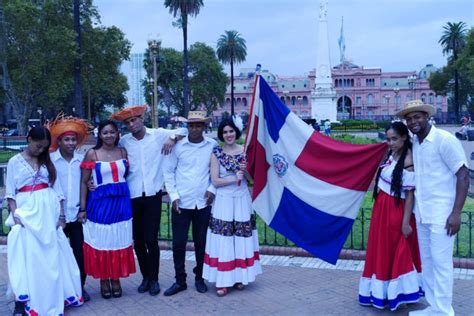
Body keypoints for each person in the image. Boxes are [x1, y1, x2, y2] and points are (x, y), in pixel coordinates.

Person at [397, 100, 469, 316]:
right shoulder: (416, 143)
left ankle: (445, 311)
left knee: (441, 265)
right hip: (423, 214)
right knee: (427, 264)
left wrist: (456, 213)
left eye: (417, 116)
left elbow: (463, 175)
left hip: (442, 215)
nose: (412, 121)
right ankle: (434, 307)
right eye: (409, 119)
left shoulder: (443, 140)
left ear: (427, 117)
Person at [6, 126, 83, 315]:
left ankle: (54, 295)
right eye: (38, 146)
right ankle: (23, 300)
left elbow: (58, 190)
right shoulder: (14, 162)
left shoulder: (47, 162)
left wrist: (62, 216)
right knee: (28, 257)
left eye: (45, 148)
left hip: (49, 212)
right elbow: (10, 193)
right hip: (26, 213)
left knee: (52, 257)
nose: (41, 150)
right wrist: (16, 216)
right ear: (28, 139)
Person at [110, 105, 186, 296]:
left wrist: (172, 138)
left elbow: (183, 129)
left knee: (151, 239)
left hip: (153, 195)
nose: (131, 124)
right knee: (138, 240)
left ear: (141, 119)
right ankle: (145, 277)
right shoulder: (125, 142)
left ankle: (154, 279)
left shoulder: (158, 134)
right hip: (133, 195)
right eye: (127, 122)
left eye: (134, 120)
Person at [358, 121, 423, 311]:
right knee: (380, 251)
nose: (391, 142)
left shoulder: (409, 160)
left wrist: (405, 223)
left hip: (396, 211)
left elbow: (410, 196)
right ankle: (382, 293)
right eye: (388, 139)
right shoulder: (392, 155)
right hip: (382, 211)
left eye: (394, 139)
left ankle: (397, 294)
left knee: (394, 251)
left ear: (404, 137)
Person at [203, 119, 262, 297]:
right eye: (225, 132)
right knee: (225, 238)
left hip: (242, 198)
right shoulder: (216, 153)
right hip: (224, 200)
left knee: (240, 238)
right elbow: (215, 180)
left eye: (231, 131)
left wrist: (245, 172)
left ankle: (239, 277)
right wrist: (233, 178)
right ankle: (223, 280)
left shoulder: (245, 152)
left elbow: (251, 179)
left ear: (236, 132)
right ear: (221, 135)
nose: (229, 135)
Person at [79, 120, 136, 299]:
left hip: (121, 203)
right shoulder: (92, 154)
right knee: (102, 241)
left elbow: (124, 175)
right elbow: (83, 181)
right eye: (105, 132)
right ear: (100, 135)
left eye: (112, 132)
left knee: (118, 240)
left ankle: (116, 278)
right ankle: (104, 279)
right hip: (100, 203)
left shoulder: (123, 152)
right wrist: (82, 207)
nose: (109, 135)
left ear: (117, 133)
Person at [163, 111, 217, 296]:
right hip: (181, 202)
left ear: (204, 127)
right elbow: (168, 171)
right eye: (191, 125)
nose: (194, 128)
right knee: (178, 243)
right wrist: (174, 195)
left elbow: (218, 171)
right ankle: (180, 280)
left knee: (202, 242)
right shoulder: (178, 146)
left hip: (203, 202)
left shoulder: (212, 145)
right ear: (187, 127)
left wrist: (212, 189)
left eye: (198, 125)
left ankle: (199, 277)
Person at [48, 115, 92, 302]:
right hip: (56, 216)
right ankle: (58, 290)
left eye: (73, 139)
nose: (71, 142)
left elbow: (87, 182)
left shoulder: (81, 160)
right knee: (56, 254)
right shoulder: (50, 161)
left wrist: (84, 206)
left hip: (75, 215)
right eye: (67, 139)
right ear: (59, 140)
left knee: (79, 253)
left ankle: (79, 287)